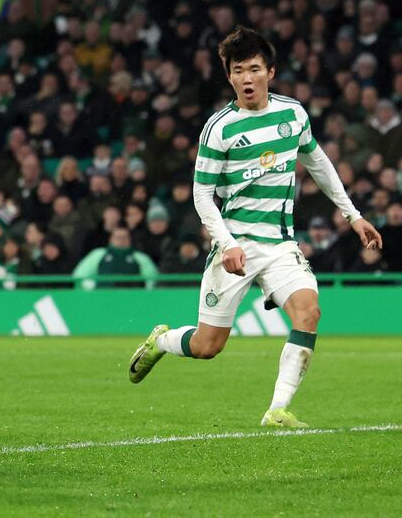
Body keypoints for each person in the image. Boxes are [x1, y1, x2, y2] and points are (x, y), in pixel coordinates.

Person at [128, 27, 382, 428]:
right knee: (208, 346)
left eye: (255, 69)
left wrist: (353, 215)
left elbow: (318, 164)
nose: (247, 78)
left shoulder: (293, 114)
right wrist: (226, 243)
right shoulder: (219, 128)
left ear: (271, 71)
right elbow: (201, 195)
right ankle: (161, 340)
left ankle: (277, 410)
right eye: (238, 70)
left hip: (280, 245)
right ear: (229, 76)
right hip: (236, 245)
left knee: (309, 312)